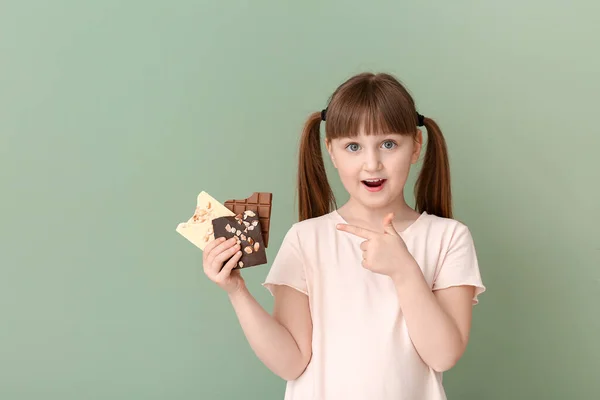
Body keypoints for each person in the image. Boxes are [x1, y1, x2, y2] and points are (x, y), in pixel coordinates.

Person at [202, 72, 486, 399]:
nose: (372, 163)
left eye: (389, 144)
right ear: (332, 152)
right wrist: (236, 290)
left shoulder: (448, 238)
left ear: (415, 147)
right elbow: (291, 362)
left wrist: (404, 270)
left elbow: (443, 355)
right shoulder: (305, 239)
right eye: (353, 146)